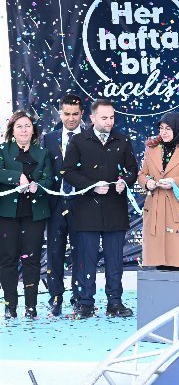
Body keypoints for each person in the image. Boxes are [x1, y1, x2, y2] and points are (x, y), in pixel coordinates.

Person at [62, 99, 138, 319]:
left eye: (112, 117)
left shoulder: (122, 140)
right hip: (87, 210)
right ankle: (85, 303)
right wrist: (91, 187)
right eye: (104, 118)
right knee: (87, 260)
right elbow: (67, 171)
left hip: (115, 209)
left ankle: (115, 302)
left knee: (115, 261)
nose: (109, 122)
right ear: (92, 118)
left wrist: (125, 181)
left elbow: (132, 169)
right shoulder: (78, 141)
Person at [0, 111, 52, 319]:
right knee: (8, 259)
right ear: (12, 130)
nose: (24, 130)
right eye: (19, 126)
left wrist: (37, 186)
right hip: (7, 215)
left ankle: (31, 306)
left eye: (27, 126)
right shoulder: (2, 151)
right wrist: (18, 177)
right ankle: (10, 305)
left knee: (32, 260)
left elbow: (49, 180)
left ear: (33, 130)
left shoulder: (43, 153)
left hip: (34, 215)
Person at [138, 113, 179, 271]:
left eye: (168, 129)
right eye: (161, 128)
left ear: (178, 129)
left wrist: (174, 182)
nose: (163, 132)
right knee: (159, 260)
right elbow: (142, 174)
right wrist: (147, 183)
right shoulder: (152, 148)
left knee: (178, 259)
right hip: (156, 207)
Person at [41, 93, 84, 316]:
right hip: (55, 203)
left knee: (81, 253)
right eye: (67, 114)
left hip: (82, 204)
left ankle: (79, 297)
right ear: (60, 113)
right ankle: (55, 298)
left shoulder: (89, 137)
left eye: (75, 114)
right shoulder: (49, 139)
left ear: (82, 114)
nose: (71, 118)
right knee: (54, 253)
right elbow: (44, 170)